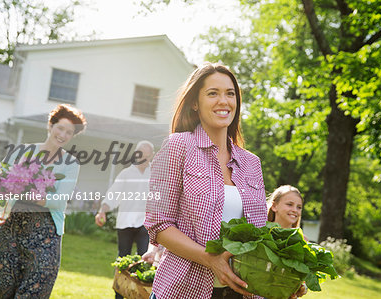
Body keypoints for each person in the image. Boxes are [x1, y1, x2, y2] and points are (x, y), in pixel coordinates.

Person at [144, 62, 268, 299]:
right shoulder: (178, 146)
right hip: (182, 289)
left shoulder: (252, 163)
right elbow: (158, 224)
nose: (224, 101)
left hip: (239, 292)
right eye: (213, 93)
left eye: (230, 94)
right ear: (194, 103)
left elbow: (259, 235)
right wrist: (210, 260)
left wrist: (282, 278)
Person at [0, 104, 86, 298]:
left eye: (69, 132)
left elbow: (60, 201)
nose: (63, 134)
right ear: (50, 125)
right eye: (60, 128)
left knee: (35, 291)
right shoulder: (22, 152)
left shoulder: (71, 163)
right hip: (11, 230)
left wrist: (29, 194)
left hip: (46, 235)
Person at [95, 140, 153, 299]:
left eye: (147, 157)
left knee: (144, 259)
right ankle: (119, 294)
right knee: (123, 259)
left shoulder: (154, 174)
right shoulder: (126, 174)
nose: (144, 159)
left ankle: (140, 294)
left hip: (144, 224)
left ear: (151, 157)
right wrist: (102, 211)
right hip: (125, 223)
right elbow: (113, 195)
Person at [267, 185, 308, 299]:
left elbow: (304, 276)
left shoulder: (303, 241)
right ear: (274, 206)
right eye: (289, 204)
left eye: (299, 207)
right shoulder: (262, 234)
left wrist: (302, 287)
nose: (295, 210)